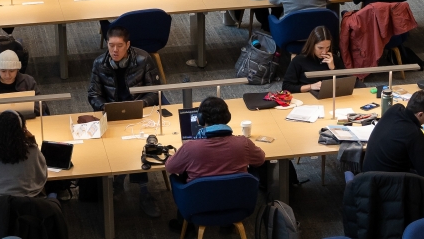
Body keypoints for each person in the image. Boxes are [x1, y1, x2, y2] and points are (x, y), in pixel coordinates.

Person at [88, 26, 162, 217]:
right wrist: (104, 108)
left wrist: (140, 105)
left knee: (139, 145)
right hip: (111, 114)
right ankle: (119, 181)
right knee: (113, 143)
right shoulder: (99, 63)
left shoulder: (143, 59)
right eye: (111, 45)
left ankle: (144, 191)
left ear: (128, 45)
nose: (115, 50)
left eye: (119, 46)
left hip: (140, 112)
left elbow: (156, 91)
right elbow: (93, 94)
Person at [165, 96, 266, 230]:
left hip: (198, 206)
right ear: (227, 117)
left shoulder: (190, 148)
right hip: (237, 204)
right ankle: (227, 224)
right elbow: (260, 160)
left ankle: (186, 227)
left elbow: (170, 167)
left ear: (200, 119)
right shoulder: (243, 143)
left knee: (179, 176)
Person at [0, 110, 48, 198]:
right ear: (23, 129)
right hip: (28, 200)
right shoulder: (31, 150)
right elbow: (42, 175)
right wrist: (33, 142)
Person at [0, 51, 48, 119]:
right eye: (3, 71)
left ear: (17, 69)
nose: (7, 75)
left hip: (25, 120)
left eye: (12, 71)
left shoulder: (28, 81)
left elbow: (41, 104)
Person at [282, 26, 360, 93]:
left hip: (331, 97)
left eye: (328, 47)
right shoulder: (299, 60)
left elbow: (347, 83)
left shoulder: (334, 59)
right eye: (320, 48)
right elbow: (286, 87)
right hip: (308, 98)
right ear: (312, 45)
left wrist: (333, 69)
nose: (324, 52)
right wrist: (311, 86)